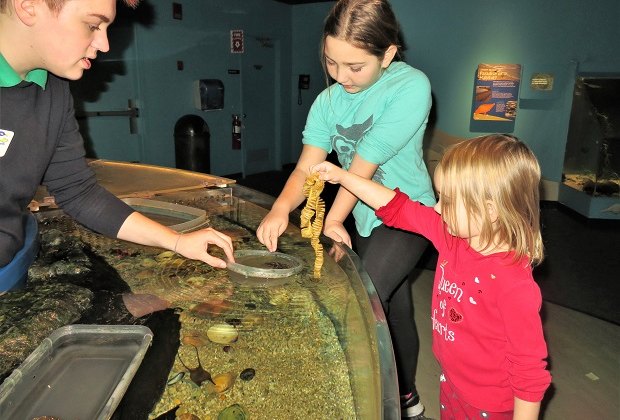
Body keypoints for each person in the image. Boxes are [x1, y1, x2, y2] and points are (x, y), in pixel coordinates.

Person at [256, 0, 435, 417]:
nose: (341, 77)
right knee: (394, 305)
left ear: (387, 54)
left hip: (407, 211)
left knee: (362, 298)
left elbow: (362, 167)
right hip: (366, 217)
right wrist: (280, 209)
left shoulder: (411, 87)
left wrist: (333, 218)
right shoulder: (328, 102)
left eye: (356, 67)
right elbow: (306, 167)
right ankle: (409, 397)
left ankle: (374, 403)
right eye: (332, 63)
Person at [311, 134, 552, 419]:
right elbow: (398, 207)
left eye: (447, 201)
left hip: (489, 406)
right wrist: (343, 176)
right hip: (451, 385)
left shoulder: (513, 285)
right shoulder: (451, 238)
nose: (437, 208)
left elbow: (528, 374)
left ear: (490, 210)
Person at [0, 0, 234, 292]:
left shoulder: (54, 92)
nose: (105, 44)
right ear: (29, 6)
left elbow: (79, 192)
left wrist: (177, 241)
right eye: (92, 25)